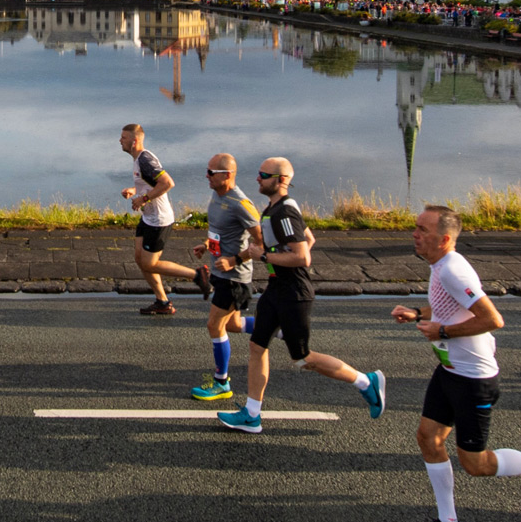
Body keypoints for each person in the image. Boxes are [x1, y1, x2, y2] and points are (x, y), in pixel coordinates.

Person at [396, 204, 521, 522]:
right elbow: (447, 308)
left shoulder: (453, 270)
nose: (415, 234)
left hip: (473, 379)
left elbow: (493, 319)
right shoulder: (440, 266)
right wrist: (416, 313)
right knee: (428, 438)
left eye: (423, 230)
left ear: (445, 239)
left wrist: (443, 331)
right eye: (416, 227)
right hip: (450, 371)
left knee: (477, 464)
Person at [216, 156, 383, 433]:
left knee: (302, 359)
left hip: (294, 293)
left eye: (263, 174)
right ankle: (251, 415)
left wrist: (266, 256)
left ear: (281, 180)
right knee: (257, 347)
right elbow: (309, 239)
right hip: (276, 289)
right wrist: (238, 259)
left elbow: (302, 256)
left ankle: (366, 382)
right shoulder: (275, 208)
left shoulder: (284, 212)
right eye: (259, 173)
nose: (258, 178)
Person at [188, 153, 259, 402]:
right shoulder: (217, 195)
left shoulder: (241, 203)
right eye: (206, 171)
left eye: (211, 173)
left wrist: (234, 260)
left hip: (235, 278)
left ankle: (221, 383)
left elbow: (261, 243)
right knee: (233, 325)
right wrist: (207, 244)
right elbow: (221, 231)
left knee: (214, 325)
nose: (206, 176)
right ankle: (276, 326)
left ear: (227, 175)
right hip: (220, 272)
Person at [119, 124, 206, 316]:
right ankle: (162, 301)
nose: (120, 141)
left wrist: (143, 198)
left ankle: (197, 275)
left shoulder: (145, 160)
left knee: (149, 263)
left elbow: (167, 183)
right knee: (139, 259)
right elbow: (148, 183)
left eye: (123, 138)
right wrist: (135, 191)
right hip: (148, 218)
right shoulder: (139, 159)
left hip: (159, 220)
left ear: (134, 142)